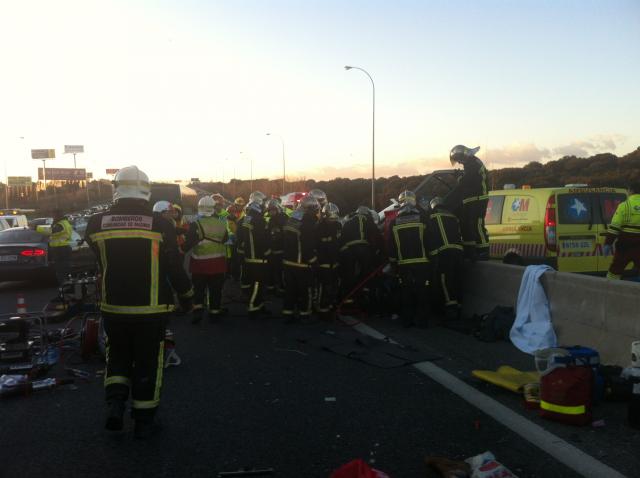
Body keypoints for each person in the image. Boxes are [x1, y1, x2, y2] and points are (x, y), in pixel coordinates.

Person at [85, 166, 193, 439]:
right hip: (150, 309)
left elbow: (99, 258)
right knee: (147, 362)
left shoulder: (96, 223)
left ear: (116, 188)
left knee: (117, 355)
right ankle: (144, 421)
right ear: (146, 190)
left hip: (114, 308)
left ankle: (116, 403)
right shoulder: (160, 224)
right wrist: (188, 296)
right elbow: (173, 266)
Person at [388, 190, 431, 327]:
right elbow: (430, 240)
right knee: (422, 291)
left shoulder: (394, 222)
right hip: (422, 262)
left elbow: (391, 246)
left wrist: (393, 263)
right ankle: (422, 321)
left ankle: (406, 320)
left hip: (403, 264)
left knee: (406, 291)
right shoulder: (423, 218)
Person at [182, 196, 228, 323]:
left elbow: (188, 244)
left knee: (199, 290)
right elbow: (224, 239)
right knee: (216, 290)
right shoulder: (221, 224)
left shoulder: (195, 224)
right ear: (213, 208)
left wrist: (179, 251)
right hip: (218, 263)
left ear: (200, 208)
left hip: (200, 264)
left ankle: (198, 313)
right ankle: (214, 313)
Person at [444, 145, 489, 261]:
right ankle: (470, 251)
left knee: (477, 224)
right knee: (467, 225)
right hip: (471, 199)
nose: (458, 162)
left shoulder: (473, 164)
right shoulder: (470, 164)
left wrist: (459, 178)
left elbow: (466, 181)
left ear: (462, 157)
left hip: (478, 198)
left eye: (458, 159)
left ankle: (483, 251)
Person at [282, 195, 320, 323]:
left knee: (290, 290)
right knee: (306, 290)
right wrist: (313, 260)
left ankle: (288, 314)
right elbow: (308, 243)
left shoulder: (292, 218)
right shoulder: (308, 221)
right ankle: (305, 314)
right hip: (302, 263)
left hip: (288, 262)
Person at [428, 196, 464, 320]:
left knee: (445, 280)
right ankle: (459, 305)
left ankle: (451, 309)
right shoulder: (452, 216)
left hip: (444, 252)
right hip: (458, 251)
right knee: (457, 278)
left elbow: (430, 237)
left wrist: (432, 256)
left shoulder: (432, 216)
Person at [338, 205, 382, 305]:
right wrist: (381, 250)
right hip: (362, 248)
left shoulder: (348, 221)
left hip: (347, 251)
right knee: (367, 272)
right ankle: (365, 293)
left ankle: (348, 300)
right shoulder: (367, 218)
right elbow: (377, 235)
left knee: (349, 274)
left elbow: (341, 238)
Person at [236, 199, 271, 318]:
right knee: (258, 284)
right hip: (259, 258)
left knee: (253, 283)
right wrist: (268, 252)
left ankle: (259, 305)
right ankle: (253, 307)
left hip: (248, 257)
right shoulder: (259, 221)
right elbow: (263, 239)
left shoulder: (245, 219)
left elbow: (240, 237)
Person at [605, 186, 640, 280]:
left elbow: (614, 227)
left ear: (631, 191)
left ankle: (610, 289)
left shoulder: (624, 205)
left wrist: (608, 243)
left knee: (615, 271)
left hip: (625, 246)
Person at [316, 202, 342, 319]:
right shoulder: (319, 227)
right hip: (323, 262)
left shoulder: (338, 225)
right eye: (330, 219)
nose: (333, 221)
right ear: (325, 216)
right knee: (324, 287)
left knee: (333, 285)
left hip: (335, 261)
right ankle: (322, 310)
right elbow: (319, 246)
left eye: (334, 219)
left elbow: (339, 242)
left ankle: (331, 306)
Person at [266, 199, 287, 294]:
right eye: (269, 210)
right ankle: (272, 287)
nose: (270, 212)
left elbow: (277, 235)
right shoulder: (273, 219)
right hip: (274, 250)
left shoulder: (281, 219)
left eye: (273, 210)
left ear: (277, 209)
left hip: (280, 250)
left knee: (280, 271)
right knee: (272, 270)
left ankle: (281, 288)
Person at [49, 209, 74, 285]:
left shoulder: (60, 224)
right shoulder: (64, 223)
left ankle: (64, 285)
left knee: (61, 269)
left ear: (57, 215)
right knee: (64, 267)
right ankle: (66, 284)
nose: (52, 217)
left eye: (53, 215)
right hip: (63, 248)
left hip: (60, 249)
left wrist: (36, 228)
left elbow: (50, 231)